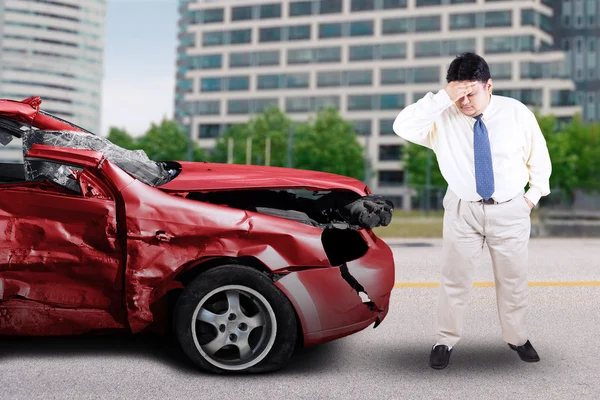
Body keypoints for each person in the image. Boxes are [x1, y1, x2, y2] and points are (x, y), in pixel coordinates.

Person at [393, 52, 552, 370]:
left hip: (510, 210)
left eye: (471, 92)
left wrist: (531, 199)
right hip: (463, 210)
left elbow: (540, 159)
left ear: (489, 85)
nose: (464, 101)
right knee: (455, 279)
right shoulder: (441, 116)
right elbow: (402, 126)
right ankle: (445, 339)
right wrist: (443, 98)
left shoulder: (516, 113)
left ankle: (517, 338)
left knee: (513, 280)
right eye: (458, 93)